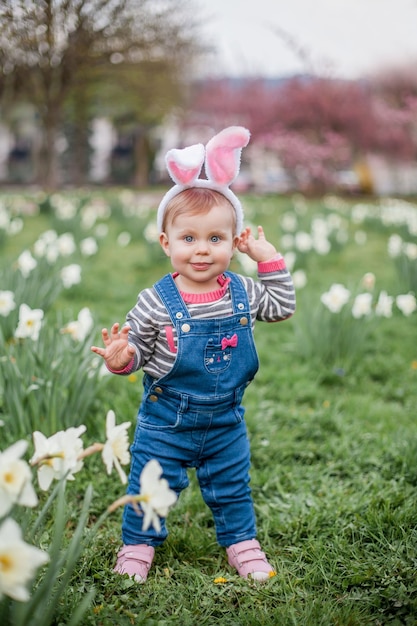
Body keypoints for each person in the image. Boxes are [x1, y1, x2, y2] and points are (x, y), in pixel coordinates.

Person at [91, 127, 296, 583]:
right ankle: (138, 547)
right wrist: (122, 357)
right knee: (151, 486)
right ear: (167, 244)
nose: (202, 249)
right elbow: (140, 352)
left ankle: (242, 545)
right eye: (188, 239)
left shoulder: (243, 290)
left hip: (226, 420)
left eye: (215, 239)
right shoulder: (155, 301)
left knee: (232, 489)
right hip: (167, 422)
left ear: (232, 241)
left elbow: (281, 306)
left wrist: (268, 259)